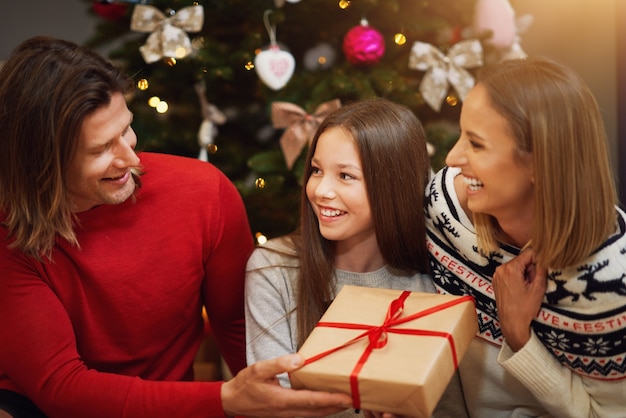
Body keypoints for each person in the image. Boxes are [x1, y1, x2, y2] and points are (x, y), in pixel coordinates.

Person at [0, 36, 353, 418]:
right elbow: (61, 386)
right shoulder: (8, 233)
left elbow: (237, 325)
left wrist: (270, 401)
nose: (130, 158)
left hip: (171, 407)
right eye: (101, 149)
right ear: (42, 162)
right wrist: (225, 399)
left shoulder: (203, 191)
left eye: (127, 129)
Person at [425, 56, 626, 417]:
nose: (452, 157)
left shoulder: (615, 282)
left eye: (477, 143)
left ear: (539, 162)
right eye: (460, 135)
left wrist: (520, 336)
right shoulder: (443, 204)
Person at [245, 97, 468, 417]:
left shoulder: (437, 278)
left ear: (391, 186)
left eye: (345, 176)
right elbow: (274, 406)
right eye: (317, 170)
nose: (320, 190)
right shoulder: (274, 268)